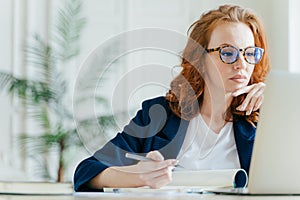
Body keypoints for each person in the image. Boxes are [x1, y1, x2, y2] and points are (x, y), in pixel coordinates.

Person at [74, 4, 270, 192]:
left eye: (250, 53)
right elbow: (87, 171)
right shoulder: (160, 114)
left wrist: (276, 106)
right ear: (200, 58)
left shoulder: (267, 117)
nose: (241, 64)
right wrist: (138, 176)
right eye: (228, 53)